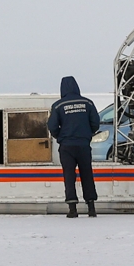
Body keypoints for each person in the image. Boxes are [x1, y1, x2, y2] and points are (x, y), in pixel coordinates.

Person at [47, 76, 100, 218]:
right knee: (87, 174)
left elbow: (52, 126)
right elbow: (95, 122)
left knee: (69, 175)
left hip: (67, 146)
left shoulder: (58, 105)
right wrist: (88, 134)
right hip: (83, 144)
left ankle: (72, 208)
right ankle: (91, 207)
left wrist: (60, 137)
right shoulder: (88, 103)